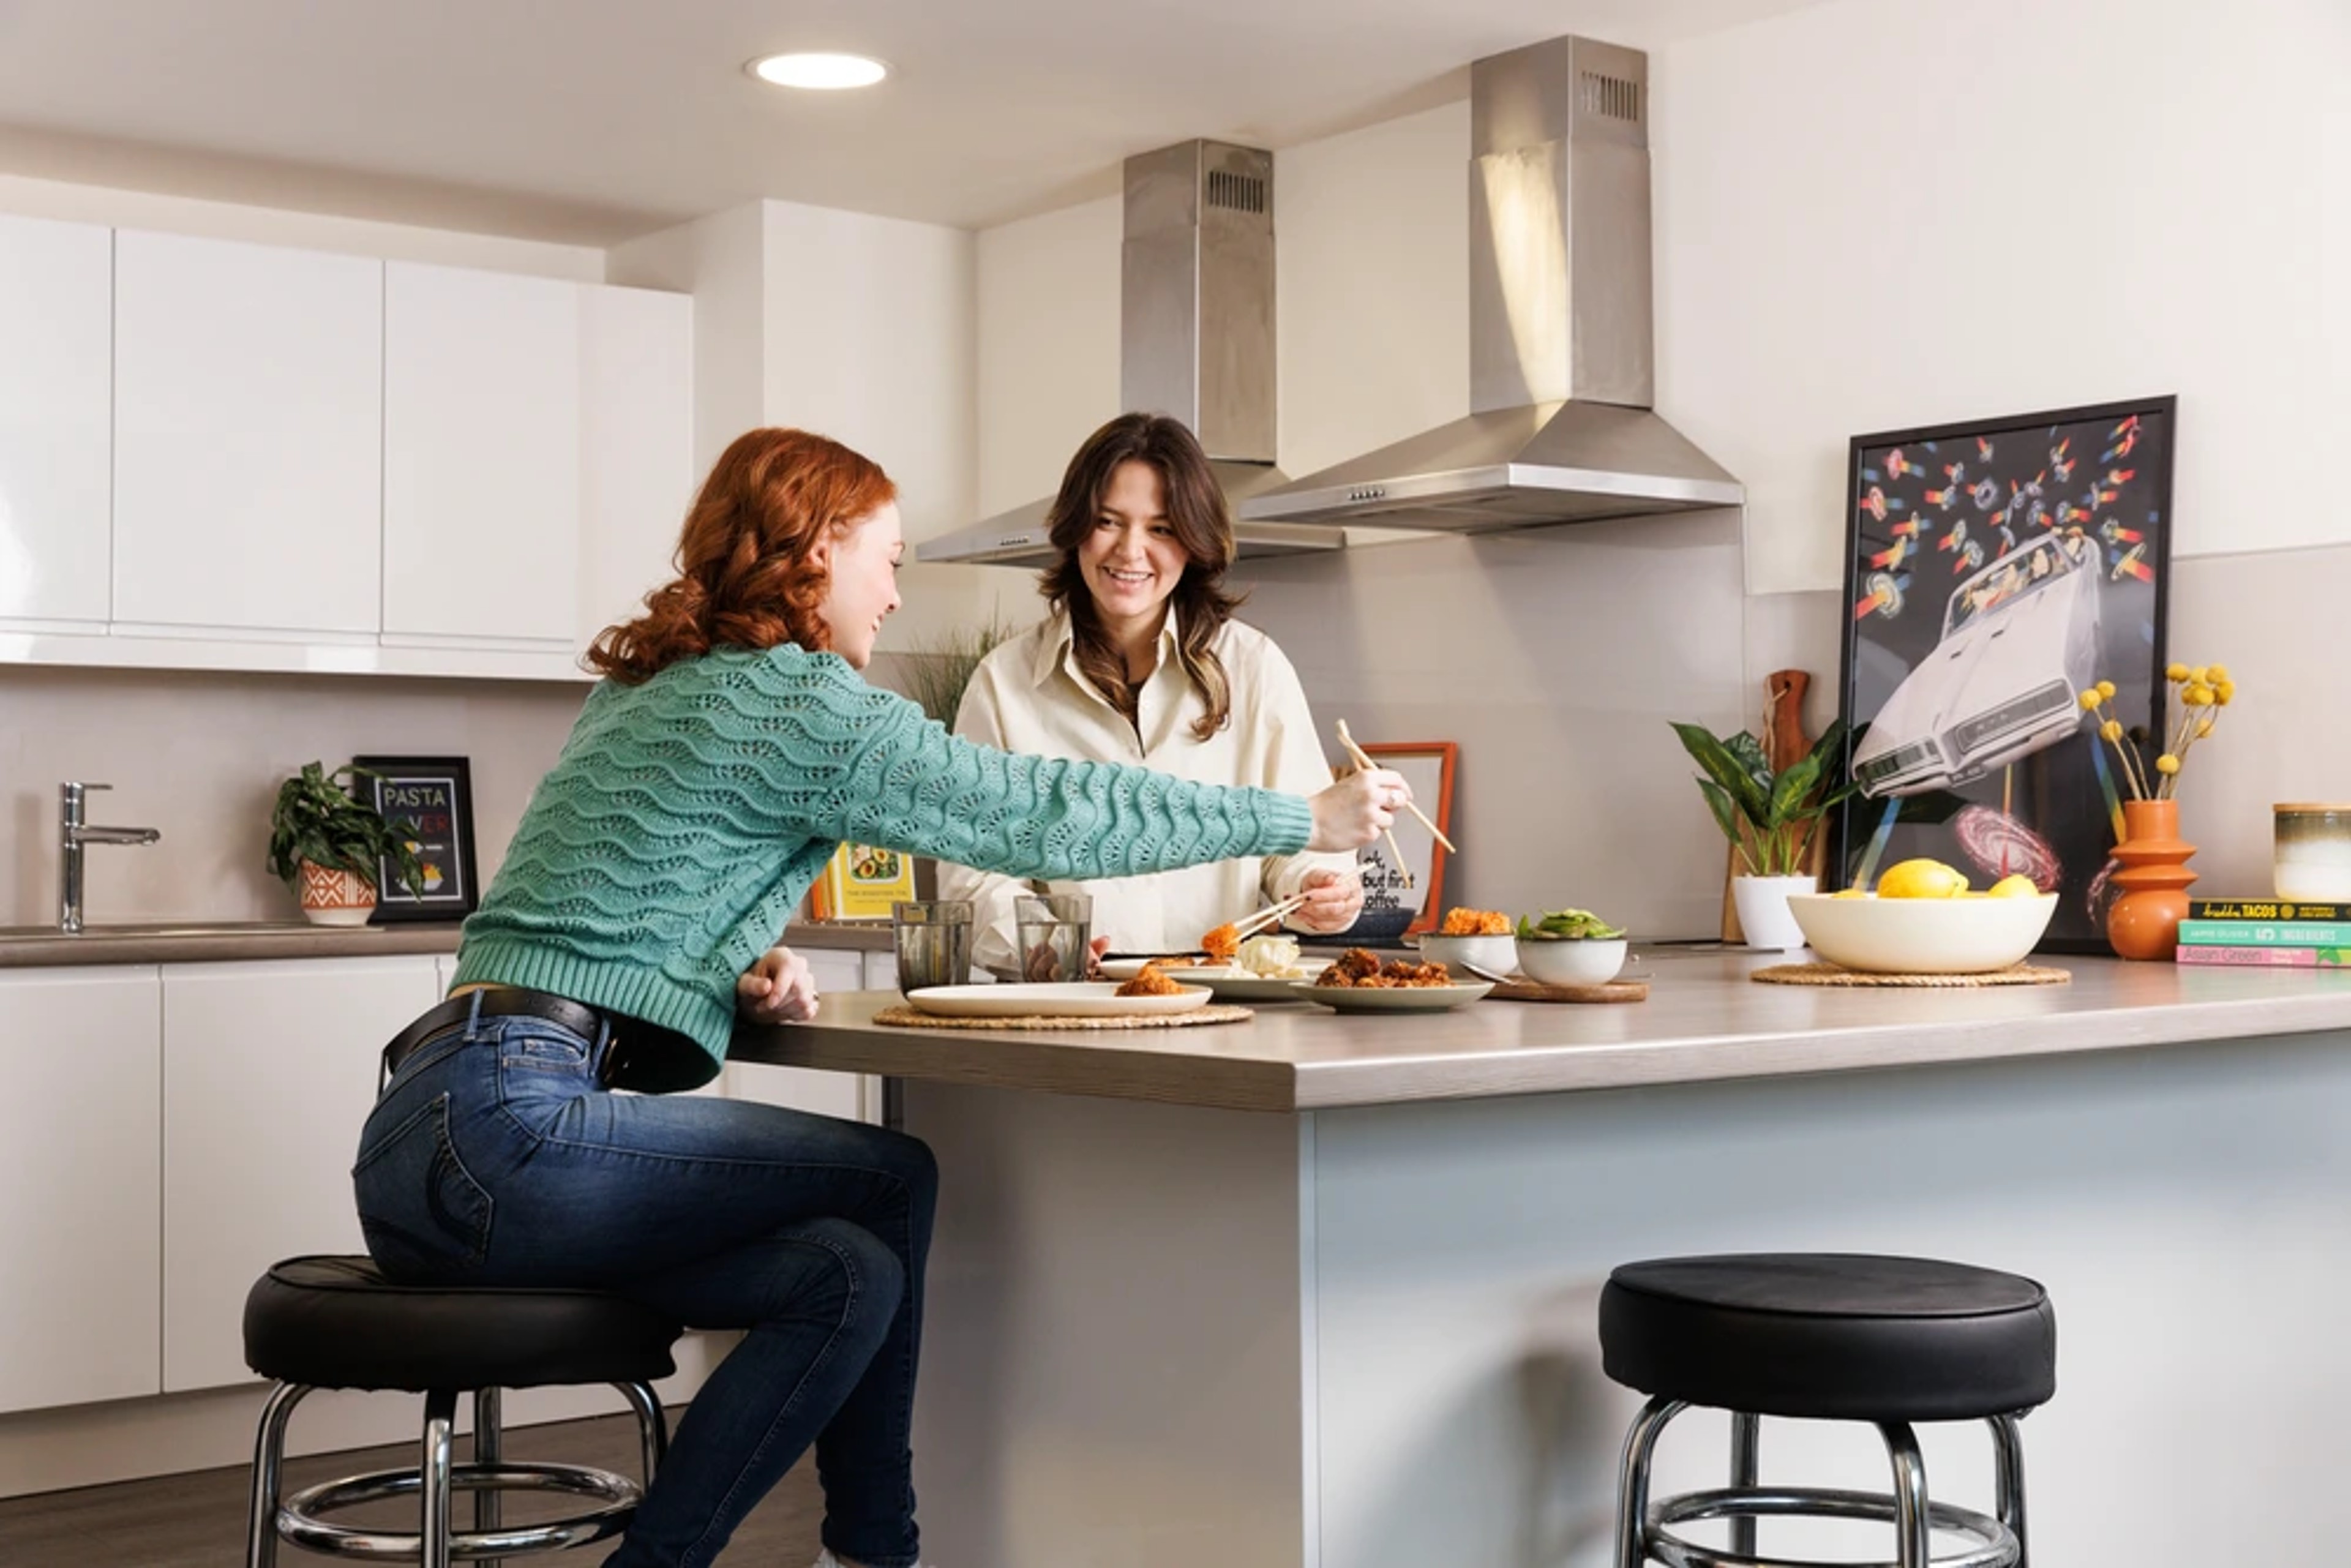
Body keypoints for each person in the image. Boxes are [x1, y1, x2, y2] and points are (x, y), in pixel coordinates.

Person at [348, 427, 1409, 1568]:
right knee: (893, 1177)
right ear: (814, 551)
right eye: (888, 559)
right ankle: (868, 1555)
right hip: (516, 1128)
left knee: (845, 1271)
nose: (897, 595)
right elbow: (1038, 812)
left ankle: (841, 1552)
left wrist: (725, 964)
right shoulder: (801, 701)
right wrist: (1299, 817)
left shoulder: (648, 683)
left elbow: (594, 910)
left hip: (428, 1128)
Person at [940, 412, 1365, 974]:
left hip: (1223, 1011)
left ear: (1193, 542)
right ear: (1074, 528)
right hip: (1066, 1006)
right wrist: (1044, 944)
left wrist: (1319, 886)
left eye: (1161, 528)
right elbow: (971, 872)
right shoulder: (1002, 683)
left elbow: (1304, 838)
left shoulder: (1255, 668)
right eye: (1108, 521)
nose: (1130, 551)